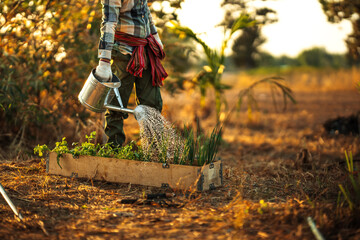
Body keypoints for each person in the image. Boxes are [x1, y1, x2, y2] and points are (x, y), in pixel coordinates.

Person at [94, 0, 167, 146]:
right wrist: (104, 60)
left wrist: (154, 34)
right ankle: (114, 151)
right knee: (116, 107)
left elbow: (145, 12)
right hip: (123, 54)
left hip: (145, 52)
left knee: (152, 105)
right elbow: (108, 23)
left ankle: (154, 152)